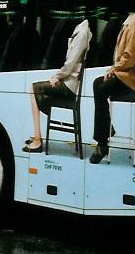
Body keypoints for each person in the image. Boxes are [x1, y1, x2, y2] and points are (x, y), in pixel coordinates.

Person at [23, 19, 91, 153]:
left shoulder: (81, 34)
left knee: (34, 88)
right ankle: (38, 135)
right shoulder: (81, 31)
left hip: (68, 86)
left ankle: (37, 140)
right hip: (68, 82)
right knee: (38, 89)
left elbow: (69, 64)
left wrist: (57, 77)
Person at [90, 13, 135, 164]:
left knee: (101, 89)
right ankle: (107, 129)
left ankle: (102, 143)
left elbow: (130, 56)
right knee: (97, 83)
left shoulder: (134, 25)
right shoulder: (128, 24)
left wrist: (113, 69)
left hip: (130, 80)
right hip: (123, 75)